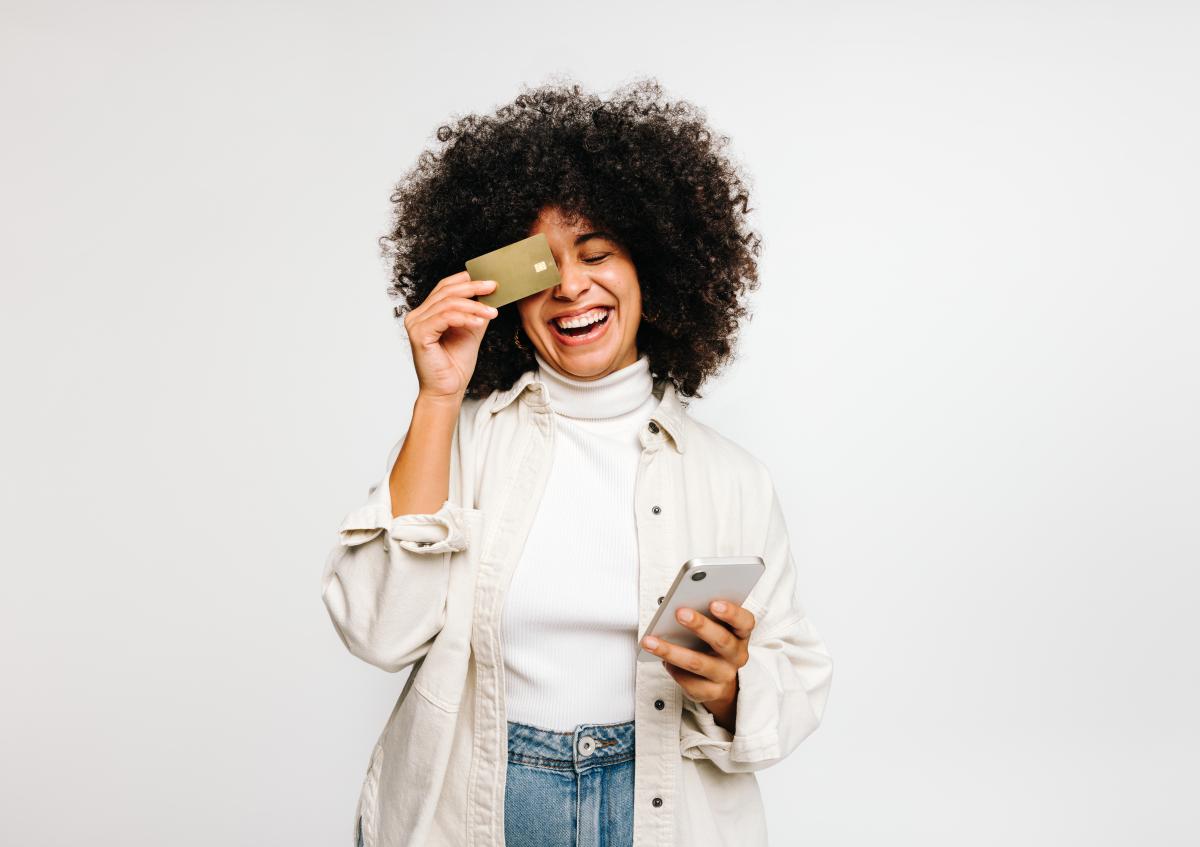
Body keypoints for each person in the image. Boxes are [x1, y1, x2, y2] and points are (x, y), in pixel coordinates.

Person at [321, 78, 834, 847]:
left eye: (597, 254)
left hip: (657, 803)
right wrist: (436, 397)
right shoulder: (460, 436)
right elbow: (378, 632)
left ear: (652, 272)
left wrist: (730, 689)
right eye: (540, 268)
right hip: (482, 803)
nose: (570, 286)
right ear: (505, 293)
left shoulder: (733, 478)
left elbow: (794, 683)